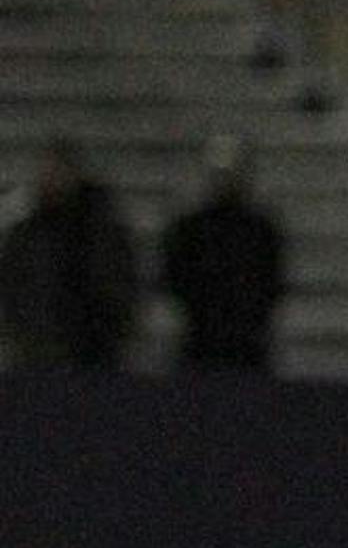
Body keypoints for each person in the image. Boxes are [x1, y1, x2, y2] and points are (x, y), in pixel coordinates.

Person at [0, 141, 140, 370]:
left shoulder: (100, 229)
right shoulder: (27, 232)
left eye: (57, 170)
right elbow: (13, 285)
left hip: (95, 351)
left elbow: (120, 282)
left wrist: (115, 329)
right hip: (39, 351)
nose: (51, 178)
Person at [160, 132, 287, 371]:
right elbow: (174, 278)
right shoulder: (190, 228)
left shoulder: (261, 229)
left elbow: (273, 281)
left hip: (248, 345)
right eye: (221, 173)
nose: (226, 181)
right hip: (200, 343)